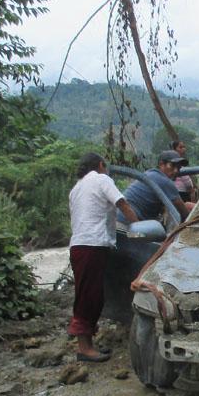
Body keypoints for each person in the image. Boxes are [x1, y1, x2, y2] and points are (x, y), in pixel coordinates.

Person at [68, 153, 138, 363]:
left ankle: (87, 343)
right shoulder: (101, 179)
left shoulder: (76, 188)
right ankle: (84, 348)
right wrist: (139, 226)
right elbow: (122, 203)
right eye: (105, 167)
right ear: (100, 165)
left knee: (89, 294)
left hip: (79, 245)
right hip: (93, 245)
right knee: (89, 297)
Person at [119, 150, 193, 222]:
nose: (176, 171)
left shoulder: (150, 173)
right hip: (127, 222)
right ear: (161, 164)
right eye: (172, 165)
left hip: (118, 217)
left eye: (179, 168)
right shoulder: (165, 181)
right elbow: (185, 214)